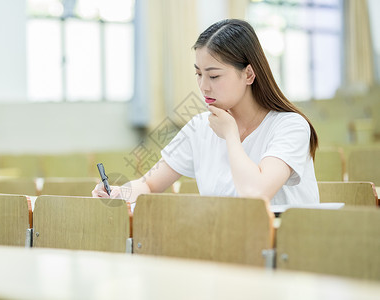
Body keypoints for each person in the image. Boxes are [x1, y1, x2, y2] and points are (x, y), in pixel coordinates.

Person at [92, 19, 319, 205]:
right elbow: (150, 184)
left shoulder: (291, 126)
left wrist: (230, 135)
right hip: (222, 244)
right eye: (199, 74)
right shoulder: (199, 127)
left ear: (249, 74)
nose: (203, 86)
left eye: (214, 76)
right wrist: (119, 193)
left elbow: (255, 195)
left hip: (283, 251)